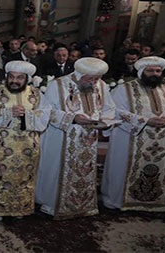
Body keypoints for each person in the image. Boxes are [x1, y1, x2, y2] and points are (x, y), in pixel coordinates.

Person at [36, 57, 116, 220]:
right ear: (79, 74)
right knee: (56, 169)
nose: (94, 83)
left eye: (96, 79)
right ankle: (51, 204)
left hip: (89, 137)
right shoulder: (58, 85)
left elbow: (109, 107)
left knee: (84, 168)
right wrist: (72, 118)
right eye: (90, 79)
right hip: (61, 136)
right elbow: (46, 112)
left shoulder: (101, 85)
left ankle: (81, 204)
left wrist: (106, 121)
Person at [0, 61, 51, 222]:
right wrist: (8, 113)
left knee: (24, 176)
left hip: (27, 146)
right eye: (12, 77)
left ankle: (19, 206)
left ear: (27, 79)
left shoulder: (36, 95)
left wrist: (27, 115)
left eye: (20, 78)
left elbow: (45, 115)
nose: (15, 81)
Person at [101, 56, 165, 211]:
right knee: (122, 170)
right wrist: (145, 121)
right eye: (150, 71)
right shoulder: (124, 89)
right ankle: (117, 201)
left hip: (158, 139)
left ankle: (150, 202)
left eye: (158, 71)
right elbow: (115, 111)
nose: (155, 74)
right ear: (142, 71)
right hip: (129, 137)